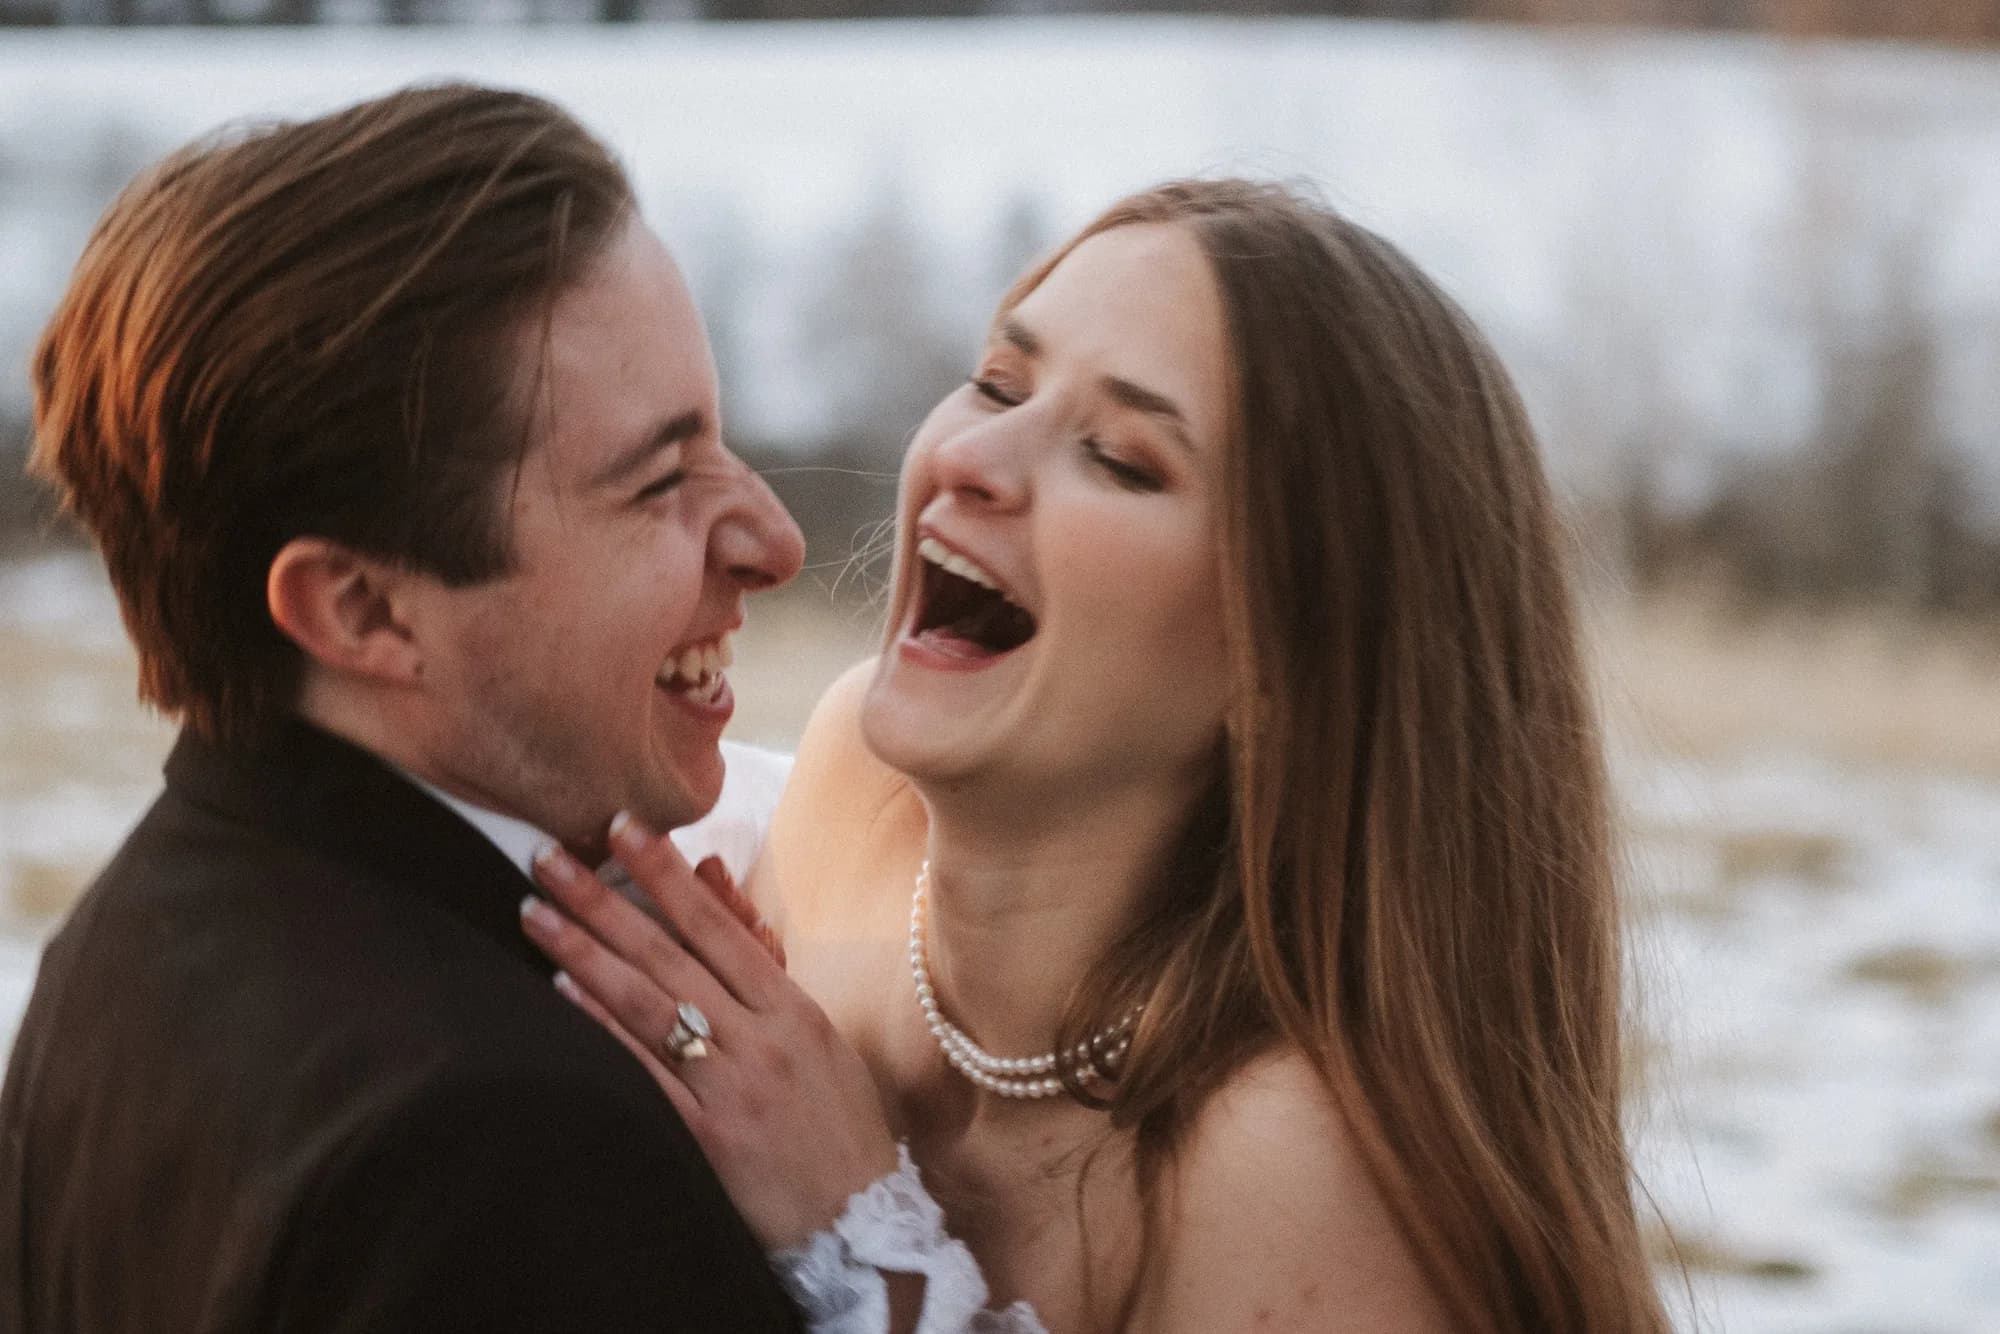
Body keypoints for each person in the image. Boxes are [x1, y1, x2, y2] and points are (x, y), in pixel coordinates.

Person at [523, 180, 1675, 1333]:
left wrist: (859, 1236)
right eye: (997, 382)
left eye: (1122, 458)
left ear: (1281, 666)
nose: (975, 454)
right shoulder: (849, 793)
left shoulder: (1293, 1167)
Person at [0, 85, 807, 1331]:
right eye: (657, 483)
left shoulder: (122, 950)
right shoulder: (505, 1149)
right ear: (364, 612)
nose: (773, 537)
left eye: (720, 439)